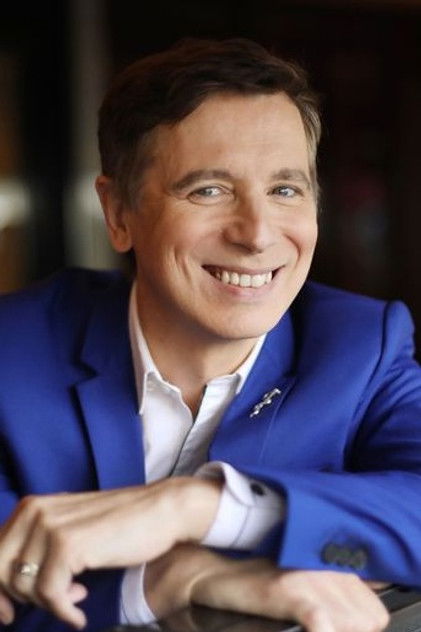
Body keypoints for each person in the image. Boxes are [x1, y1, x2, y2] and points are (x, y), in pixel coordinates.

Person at [0, 37, 420, 632]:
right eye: (209, 190)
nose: (256, 234)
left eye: (284, 189)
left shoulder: (362, 345)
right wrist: (171, 579)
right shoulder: (12, 349)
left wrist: (201, 507)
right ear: (117, 212)